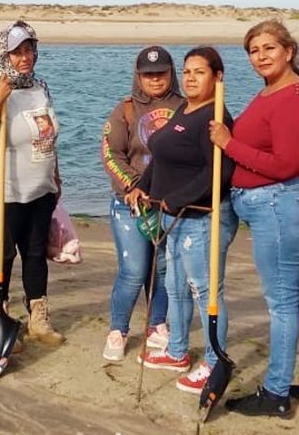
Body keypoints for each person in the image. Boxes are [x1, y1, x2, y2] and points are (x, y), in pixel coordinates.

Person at [210, 20, 299, 416]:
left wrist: (229, 145)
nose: (261, 56)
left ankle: (276, 393)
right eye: (253, 50)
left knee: (281, 302)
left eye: (269, 48)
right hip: (267, 204)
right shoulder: (271, 92)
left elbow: (284, 164)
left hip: (279, 204)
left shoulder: (295, 98)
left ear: (288, 50)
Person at [129, 46, 238, 395]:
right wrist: (141, 186)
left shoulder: (215, 116)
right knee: (174, 287)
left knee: (205, 290)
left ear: (217, 77)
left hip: (201, 218)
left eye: (200, 72)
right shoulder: (183, 108)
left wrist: (178, 199)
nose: (191, 78)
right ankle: (177, 350)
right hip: (170, 216)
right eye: (187, 71)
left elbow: (218, 174)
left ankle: (213, 361)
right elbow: (160, 157)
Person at [0, 21, 64, 345]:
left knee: (36, 254)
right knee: (3, 255)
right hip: (2, 191)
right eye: (17, 52)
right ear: (4, 54)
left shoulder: (40, 86)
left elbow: (48, 135)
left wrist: (56, 172)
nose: (25, 58)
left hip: (40, 189)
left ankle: (38, 318)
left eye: (29, 50)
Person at [100, 45, 184, 362]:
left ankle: (157, 325)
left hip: (169, 205)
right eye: (148, 74)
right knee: (134, 271)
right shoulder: (125, 110)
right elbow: (111, 153)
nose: (155, 79)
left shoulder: (185, 107)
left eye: (161, 72)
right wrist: (132, 185)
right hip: (130, 204)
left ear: (170, 73)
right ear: (138, 76)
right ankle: (118, 330)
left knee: (162, 271)